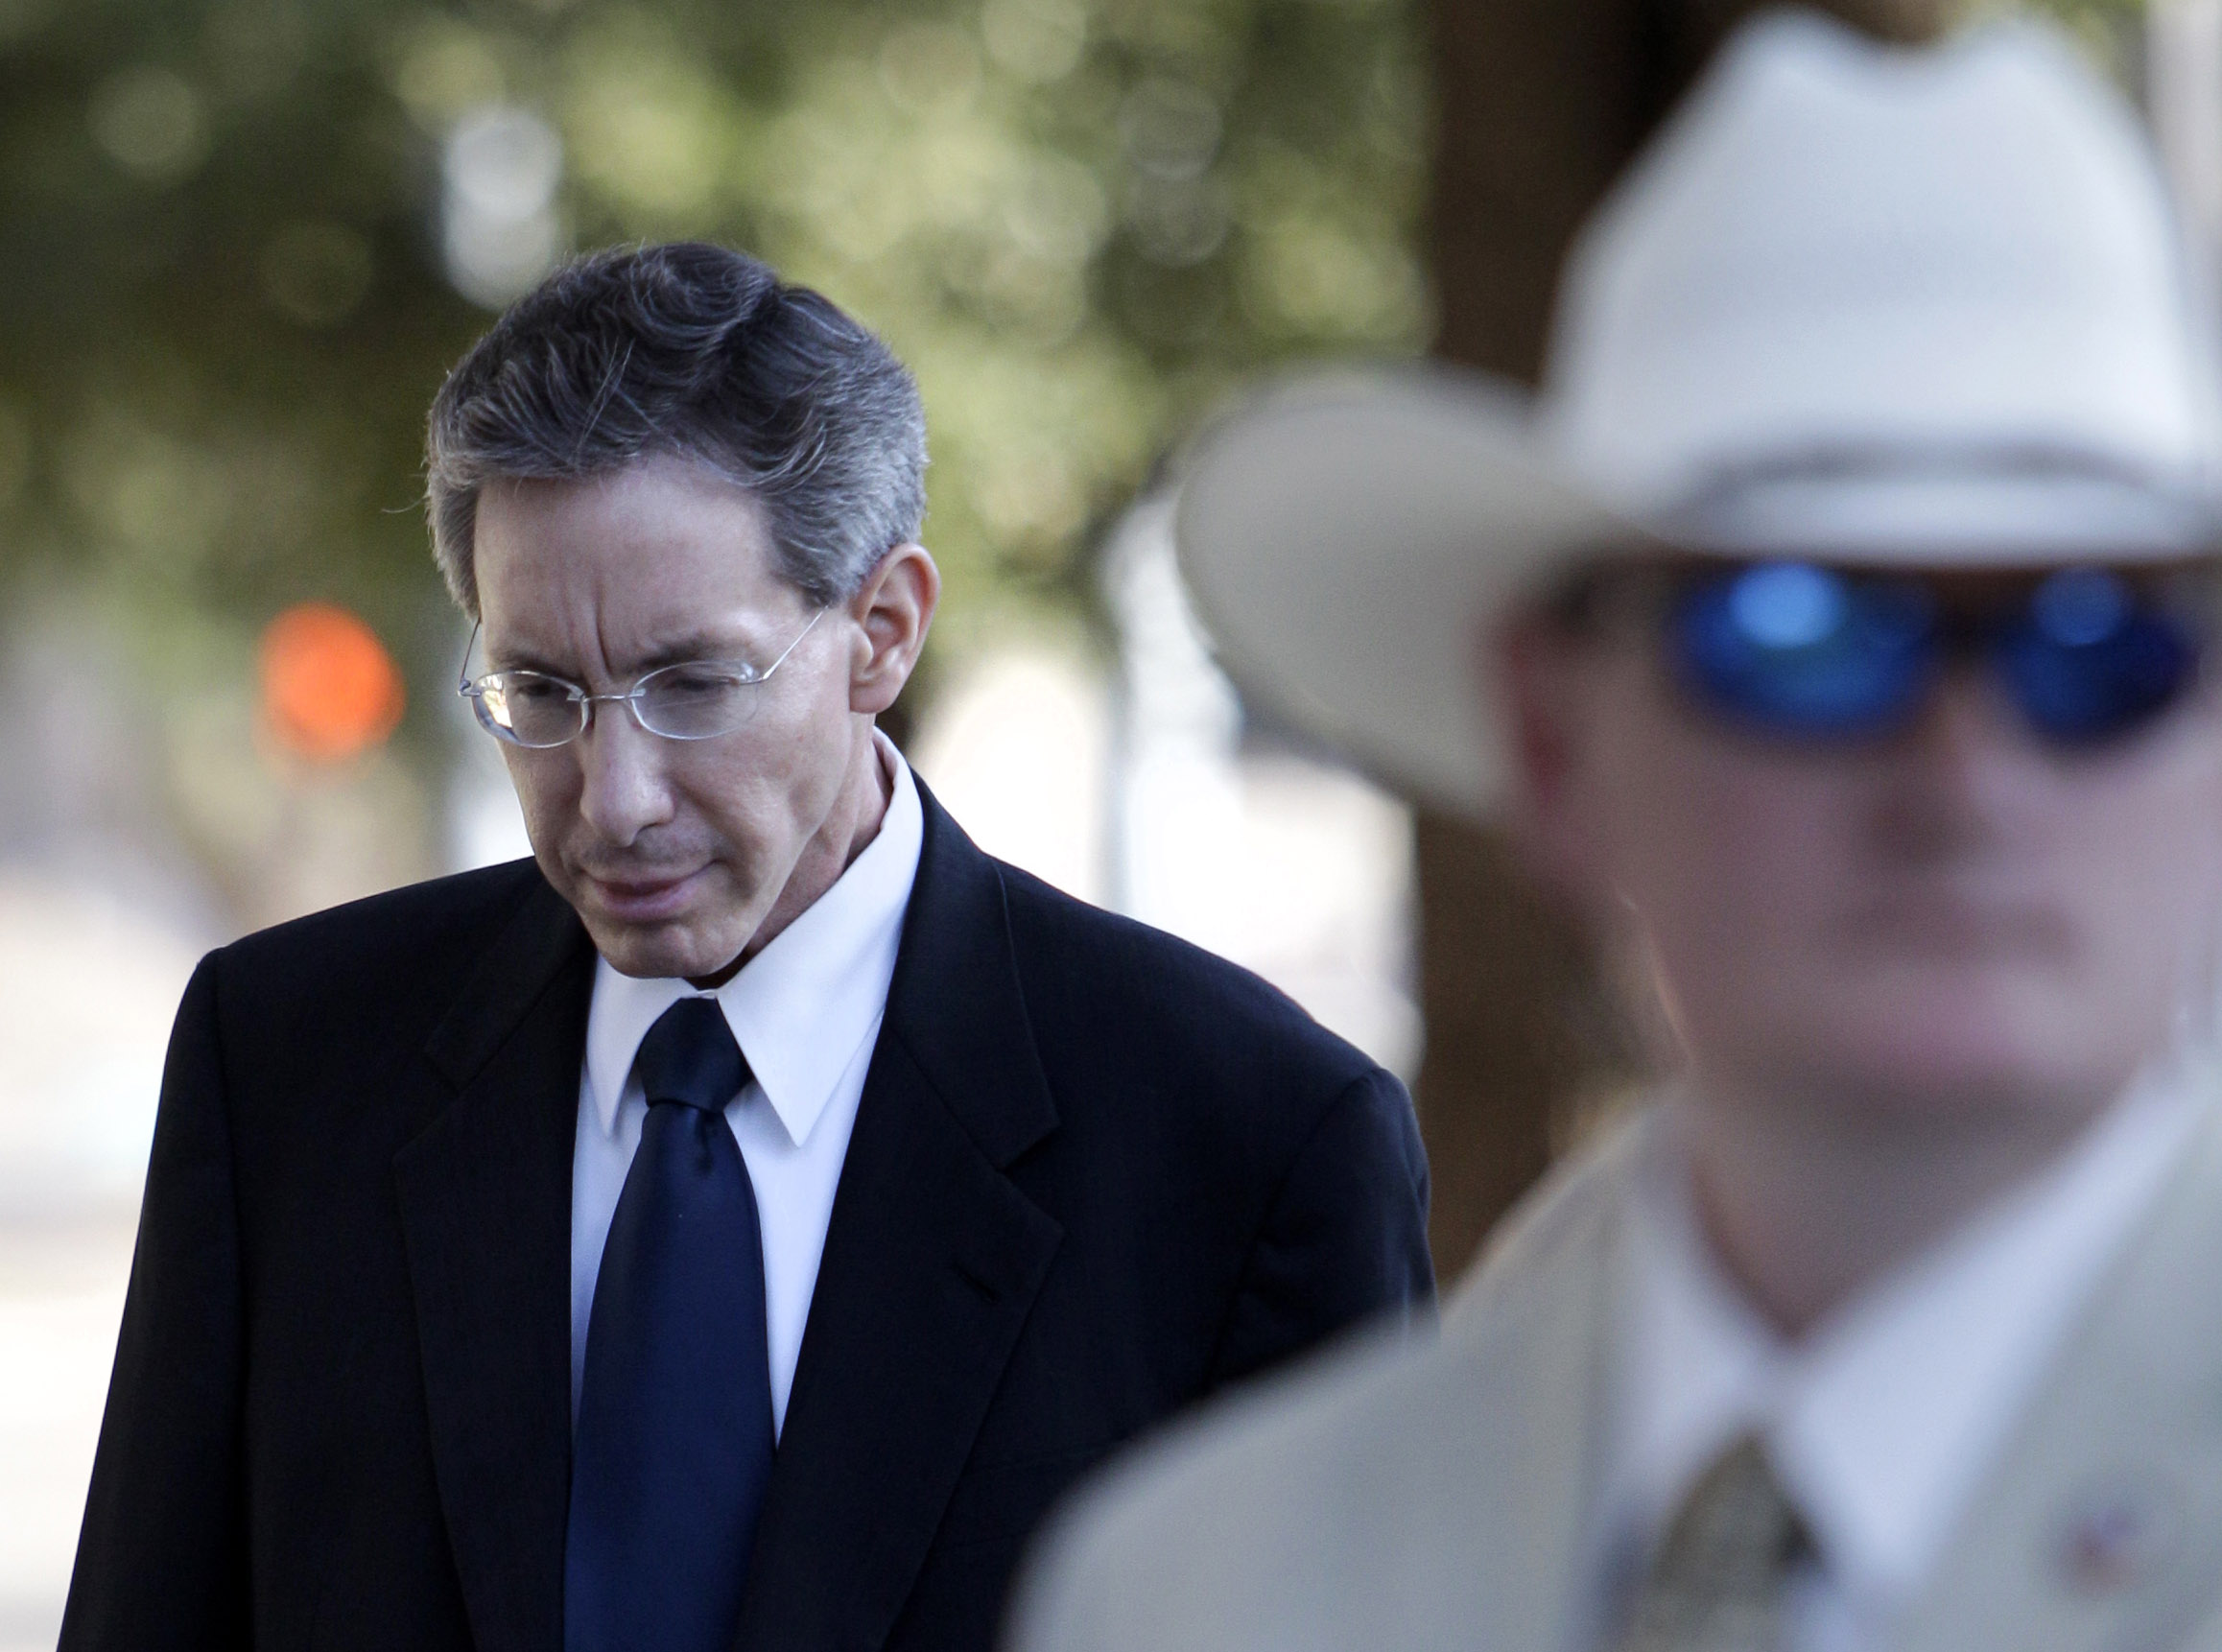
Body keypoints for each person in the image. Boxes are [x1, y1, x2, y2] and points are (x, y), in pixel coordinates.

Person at [1005, 13, 2222, 1652]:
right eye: (1798, 634)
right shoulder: (1200, 1589)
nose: (1963, 771)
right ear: (1554, 737)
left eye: (2105, 643)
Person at [59, 242, 1432, 1652]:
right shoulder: (285, 1066)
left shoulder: (1252, 1144)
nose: (616, 799)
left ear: (883, 631)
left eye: (694, 683)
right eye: (541, 691)